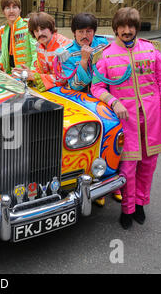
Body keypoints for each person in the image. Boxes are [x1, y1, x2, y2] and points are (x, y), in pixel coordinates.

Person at [91, 7, 161, 229]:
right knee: (127, 168)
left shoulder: (151, 50)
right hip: (126, 121)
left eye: (131, 26)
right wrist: (114, 101)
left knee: (148, 165)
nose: (127, 30)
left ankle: (140, 205)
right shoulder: (106, 55)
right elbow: (97, 88)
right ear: (116, 28)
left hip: (153, 119)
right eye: (122, 26)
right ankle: (127, 209)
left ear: (136, 28)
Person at [54, 12, 122, 206]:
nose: (85, 35)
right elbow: (74, 85)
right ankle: (97, 184)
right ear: (74, 33)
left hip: (109, 97)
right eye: (81, 31)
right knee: (92, 142)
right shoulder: (65, 53)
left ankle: (114, 182)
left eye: (89, 31)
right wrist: (84, 60)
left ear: (94, 32)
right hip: (84, 102)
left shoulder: (104, 43)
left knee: (118, 138)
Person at [12, 12, 71, 92]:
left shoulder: (63, 46)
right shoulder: (39, 46)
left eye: (43, 29)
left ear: (51, 28)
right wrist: (28, 73)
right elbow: (40, 71)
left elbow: (64, 78)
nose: (40, 33)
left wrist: (34, 76)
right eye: (36, 31)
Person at [0, 0, 37, 75]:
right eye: (7, 8)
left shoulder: (28, 26)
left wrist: (32, 72)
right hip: (10, 75)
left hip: (26, 75)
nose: (11, 11)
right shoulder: (4, 31)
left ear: (20, 10)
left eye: (14, 7)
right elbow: (4, 55)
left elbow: (36, 53)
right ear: (3, 12)